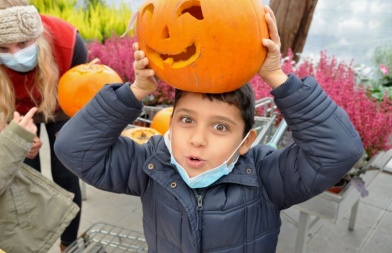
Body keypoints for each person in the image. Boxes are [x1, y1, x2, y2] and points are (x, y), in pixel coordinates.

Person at [54, 6, 364, 252]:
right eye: (186, 120)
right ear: (170, 121)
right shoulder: (150, 166)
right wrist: (134, 91)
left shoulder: (267, 177)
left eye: (220, 127)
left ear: (246, 141)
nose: (197, 140)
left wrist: (276, 77)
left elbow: (339, 150)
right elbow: (74, 148)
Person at [0, 0, 88, 249]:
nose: (15, 55)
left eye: (23, 44)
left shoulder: (68, 42)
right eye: (3, 48)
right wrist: (11, 134)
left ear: (36, 35)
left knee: (66, 173)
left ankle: (68, 244)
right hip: (12, 109)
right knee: (25, 178)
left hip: (62, 105)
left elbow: (83, 95)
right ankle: (32, 243)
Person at [0, 107, 80, 253]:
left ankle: (69, 246)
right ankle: (34, 241)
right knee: (28, 186)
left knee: (66, 176)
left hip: (56, 104)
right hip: (14, 106)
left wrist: (9, 137)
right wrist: (13, 141)